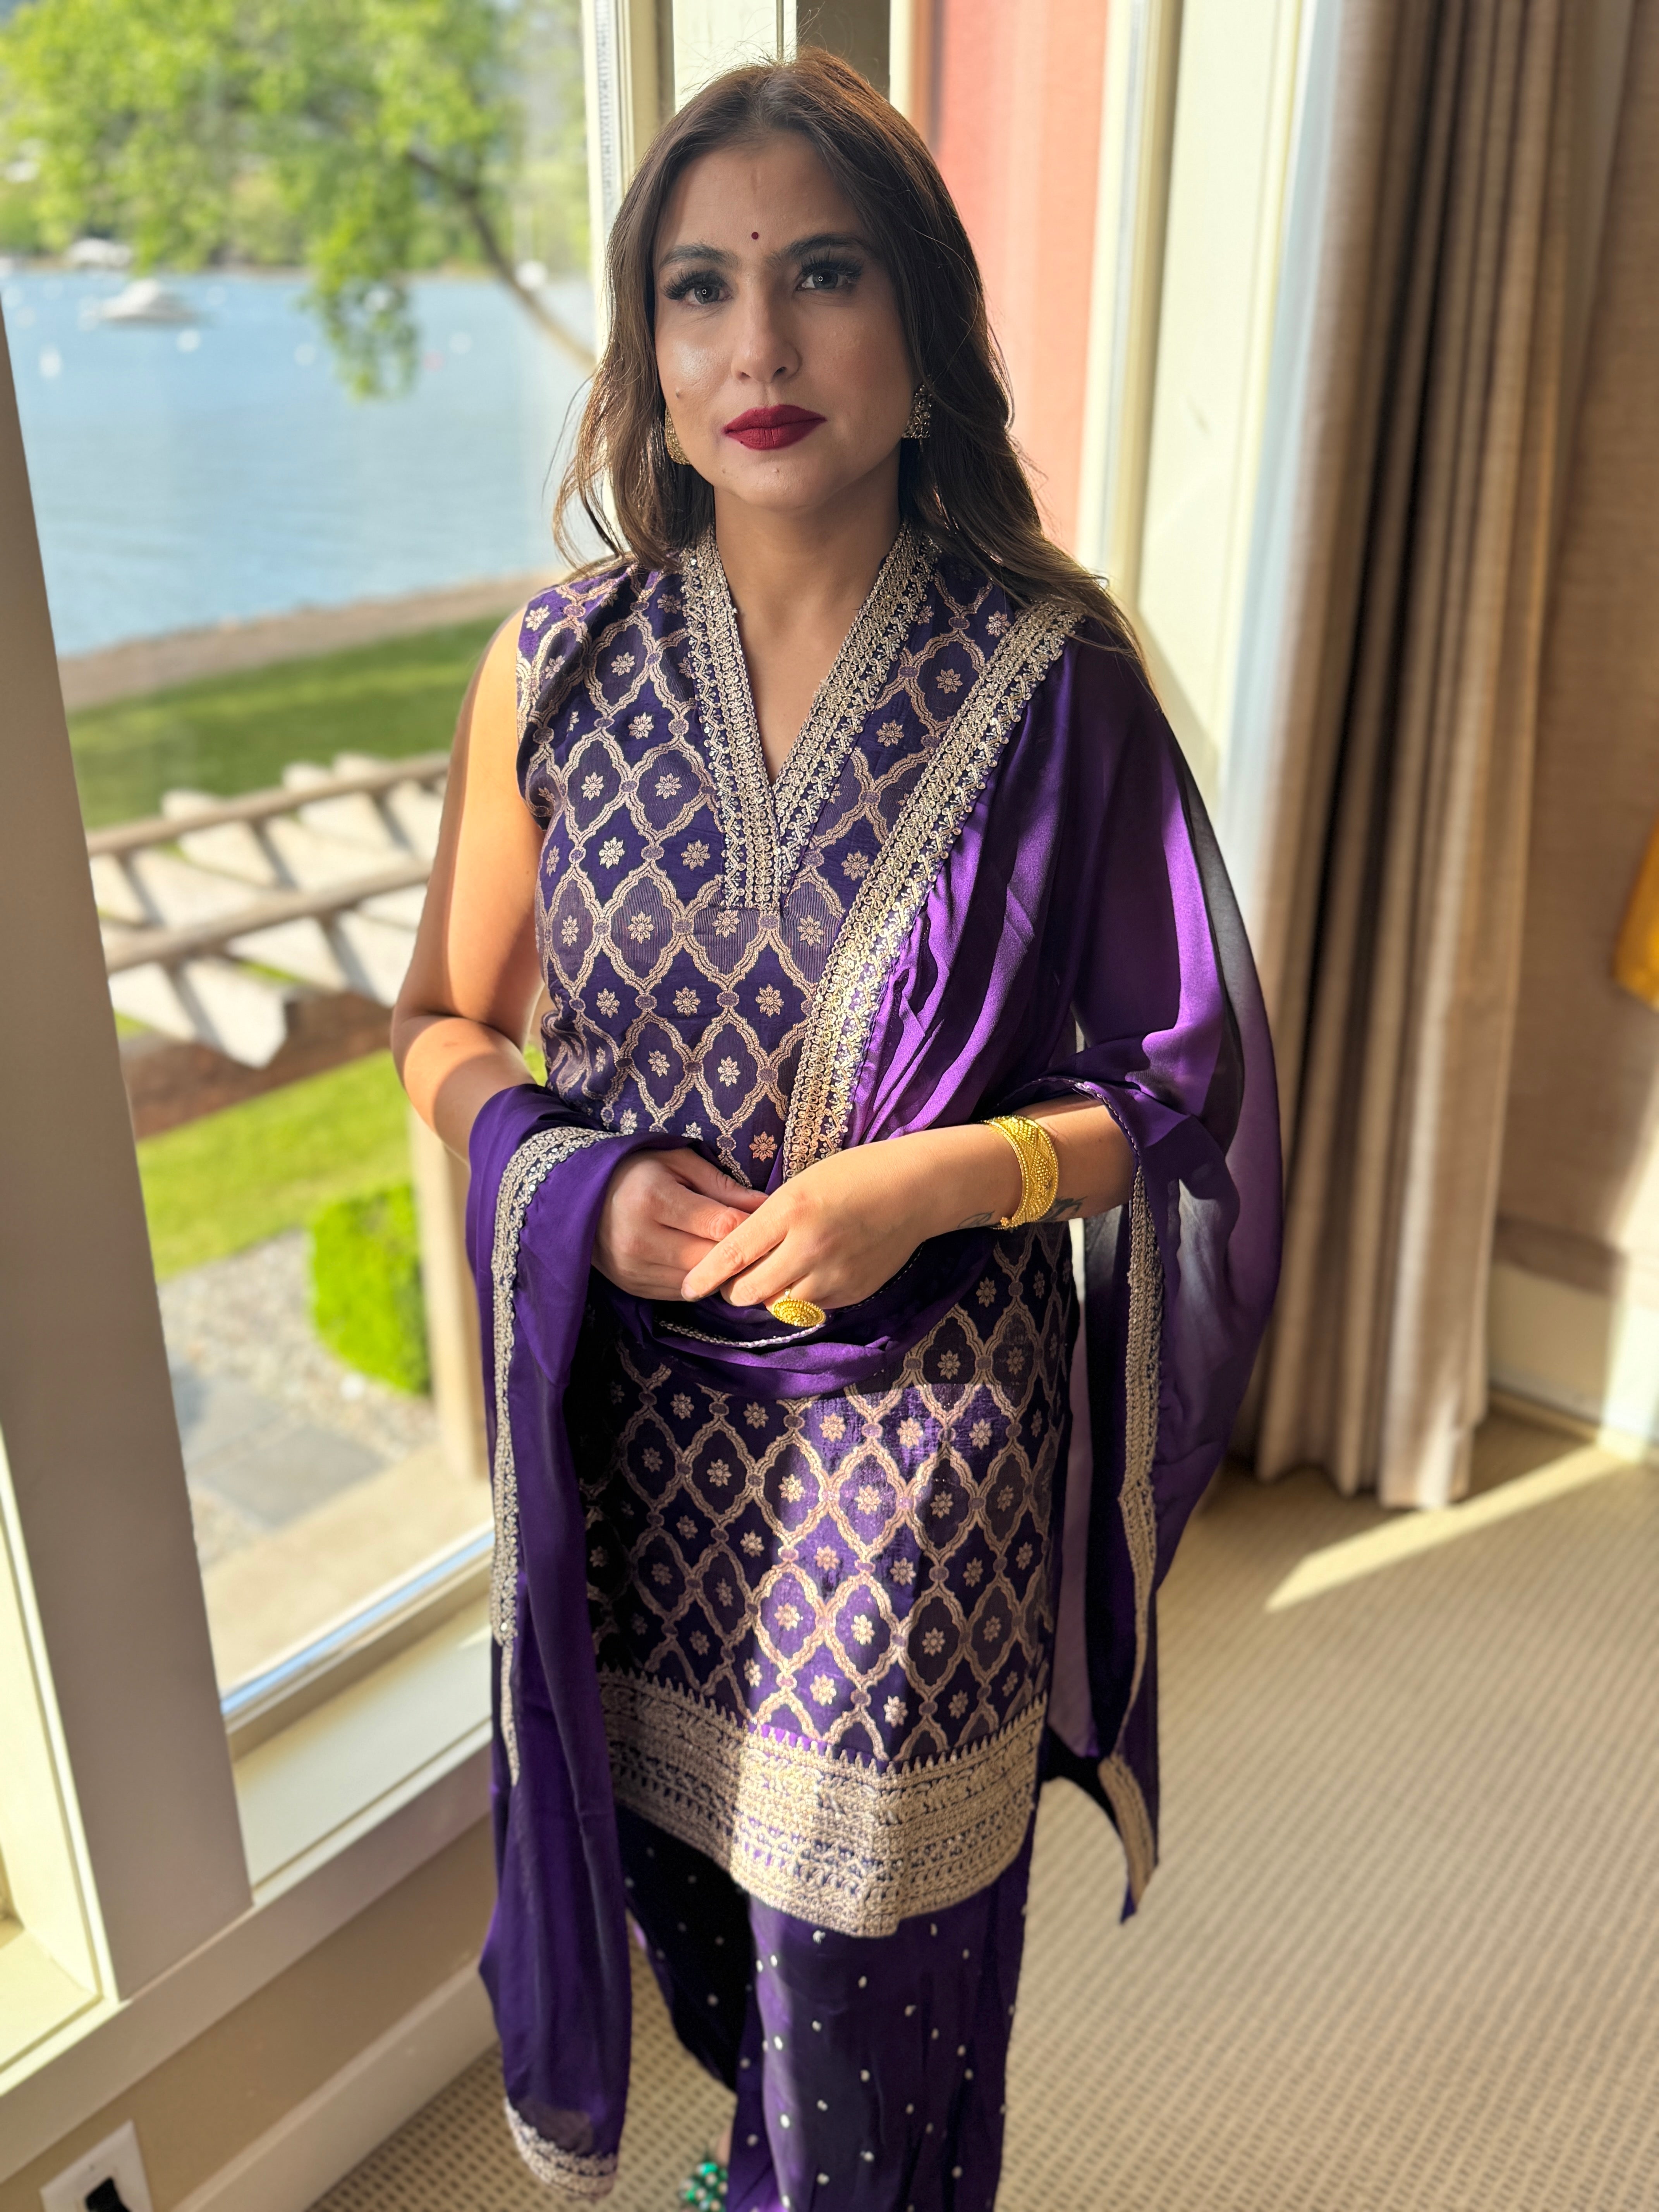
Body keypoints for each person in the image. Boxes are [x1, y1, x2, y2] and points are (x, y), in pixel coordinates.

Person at [393, 49, 1279, 2212]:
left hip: (916, 1458)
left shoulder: (1053, 678)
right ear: (648, 350)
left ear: (922, 327)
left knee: (872, 2004)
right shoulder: (553, 671)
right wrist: (577, 1186)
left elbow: (1180, 1083)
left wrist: (943, 1177)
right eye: (699, 290)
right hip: (631, 1441)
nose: (759, 348)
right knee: (711, 1950)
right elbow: (440, 1028)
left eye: (824, 275)